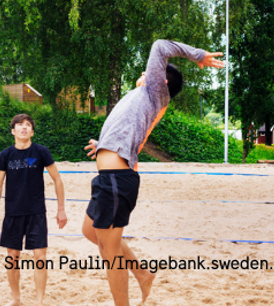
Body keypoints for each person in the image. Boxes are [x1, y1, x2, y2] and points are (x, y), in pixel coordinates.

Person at [82, 40, 224, 306]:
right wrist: (102, 146)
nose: (144, 73)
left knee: (110, 253)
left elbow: (160, 46)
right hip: (108, 178)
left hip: (116, 179)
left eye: (150, 72)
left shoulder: (155, 92)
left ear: (162, 81)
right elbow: (130, 130)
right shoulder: (140, 98)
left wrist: (198, 56)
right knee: (90, 232)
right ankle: (143, 274)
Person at [0, 114, 67, 306]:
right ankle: (16, 299)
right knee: (12, 258)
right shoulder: (5, 155)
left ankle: (39, 301)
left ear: (32, 131)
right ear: (13, 131)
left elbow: (57, 180)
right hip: (13, 213)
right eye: (19, 125)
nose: (24, 128)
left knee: (40, 257)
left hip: (36, 212)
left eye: (27, 125)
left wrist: (61, 209)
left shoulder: (41, 152)